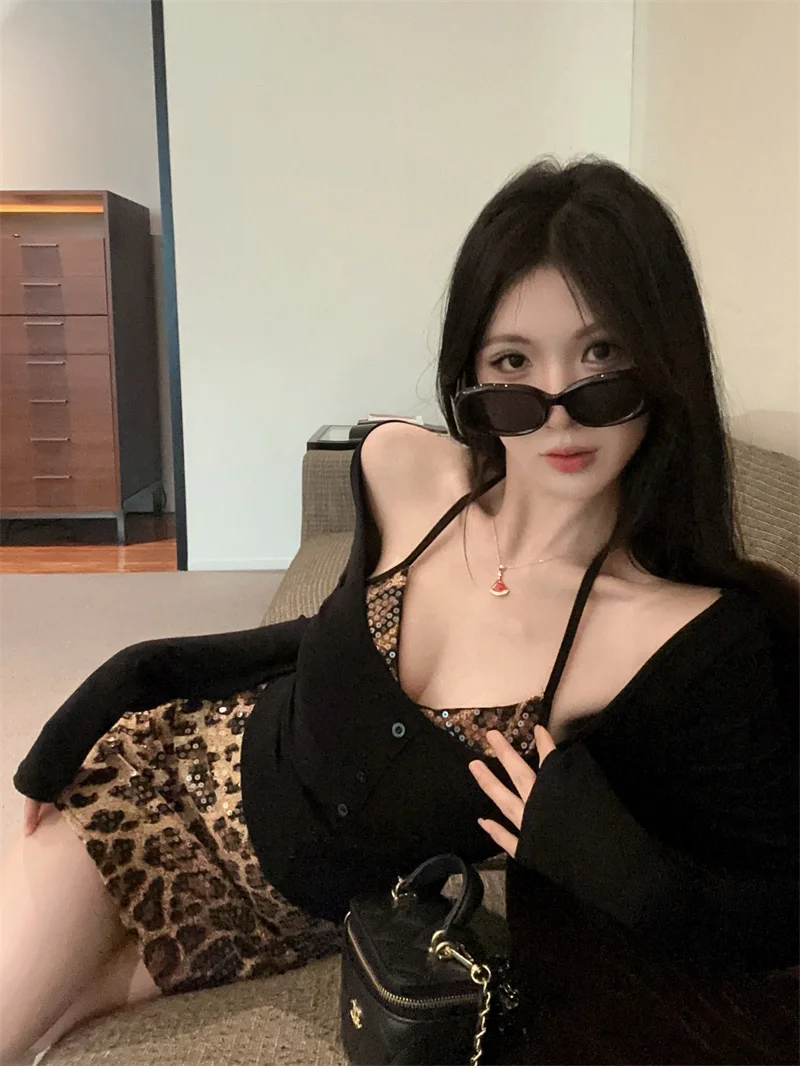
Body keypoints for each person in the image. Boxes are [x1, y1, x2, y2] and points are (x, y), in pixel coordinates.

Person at [1, 157, 797, 1065]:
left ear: (664, 360)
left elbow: (774, 908)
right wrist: (136, 676)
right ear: (471, 376)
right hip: (163, 794)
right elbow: (332, 644)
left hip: (288, 923)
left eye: (603, 358)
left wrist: (615, 865)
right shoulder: (406, 473)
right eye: (513, 363)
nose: (559, 410)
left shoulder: (671, 637)